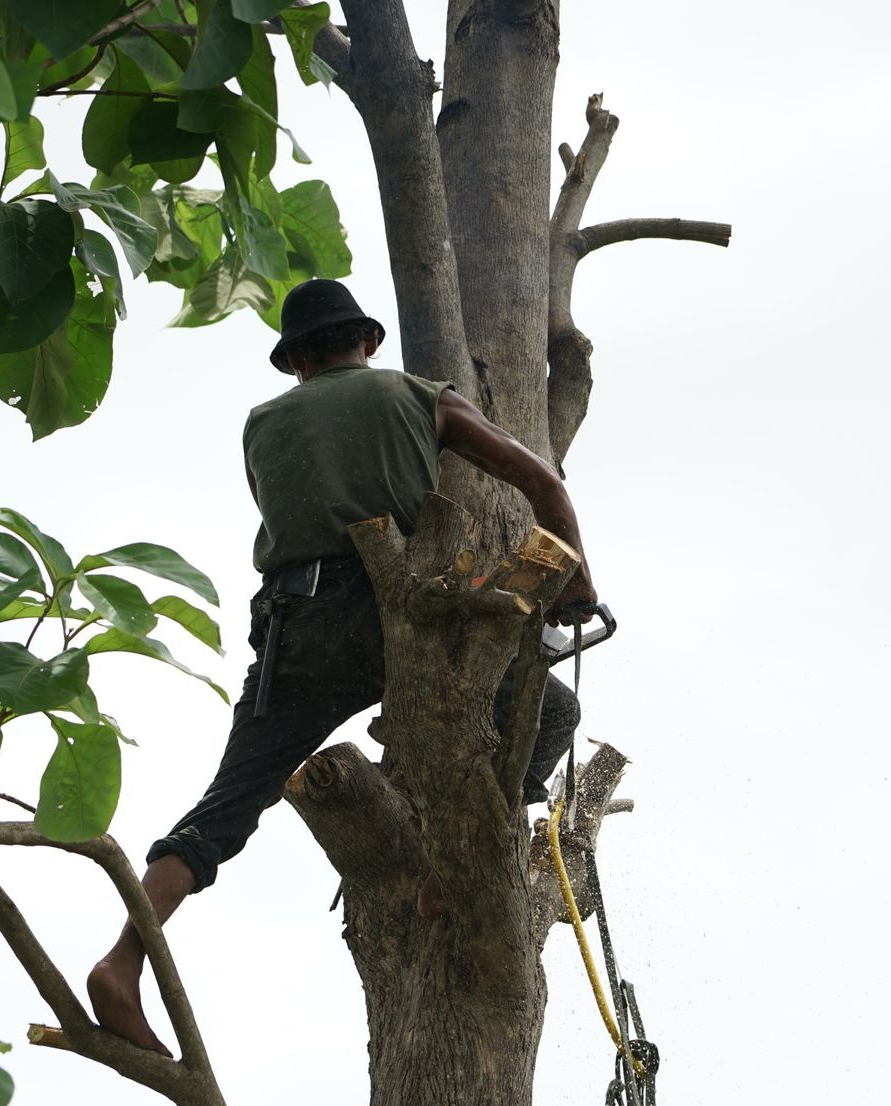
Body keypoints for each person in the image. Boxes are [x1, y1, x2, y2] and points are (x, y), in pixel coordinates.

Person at [86, 279, 599, 1055]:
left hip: (295, 628)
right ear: (367, 341)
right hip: (398, 617)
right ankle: (453, 867)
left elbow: (281, 508)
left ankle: (123, 962)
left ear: (294, 362)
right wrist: (579, 582)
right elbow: (541, 481)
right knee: (549, 713)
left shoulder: (261, 427)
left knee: (227, 805)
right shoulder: (418, 395)